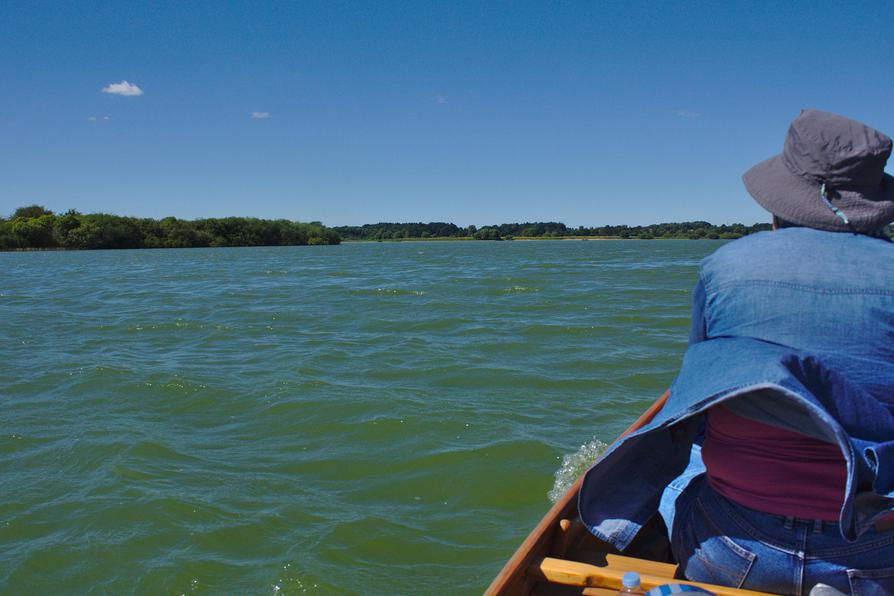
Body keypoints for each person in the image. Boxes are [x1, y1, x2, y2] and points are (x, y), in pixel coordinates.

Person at [577, 109, 894, 595]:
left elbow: (700, 393)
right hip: (873, 555)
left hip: (734, 552)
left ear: (779, 203)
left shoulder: (723, 267)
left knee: (687, 475)